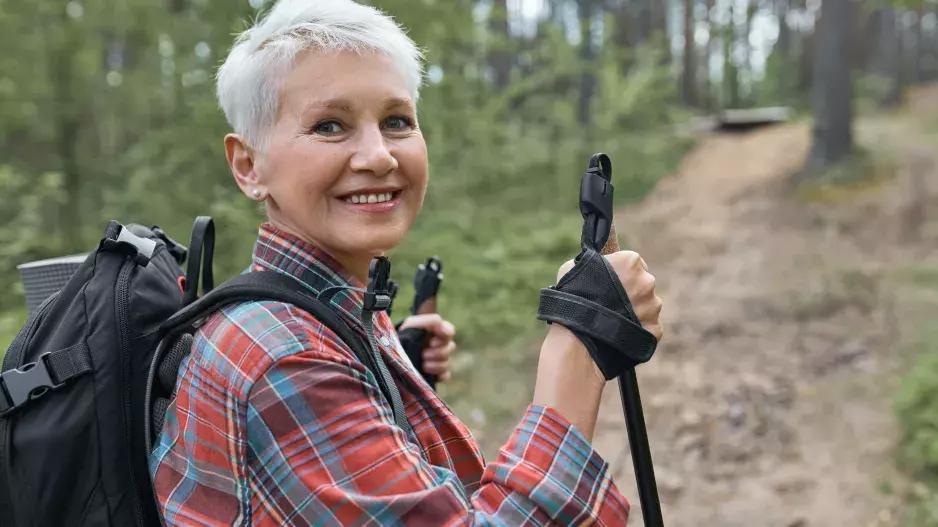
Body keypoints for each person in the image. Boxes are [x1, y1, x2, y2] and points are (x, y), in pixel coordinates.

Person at [148, 0, 664, 525]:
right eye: (329, 126)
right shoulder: (286, 358)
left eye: (396, 120)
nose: (379, 156)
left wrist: (381, 373)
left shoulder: (315, 314)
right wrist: (578, 344)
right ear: (249, 165)